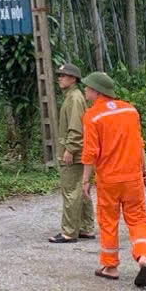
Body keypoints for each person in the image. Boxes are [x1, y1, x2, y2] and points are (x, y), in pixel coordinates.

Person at [79, 72, 146, 288]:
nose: (85, 90)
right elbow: (139, 143)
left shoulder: (92, 116)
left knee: (108, 221)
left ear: (96, 91)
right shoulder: (130, 110)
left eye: (87, 87)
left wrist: (85, 180)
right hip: (132, 179)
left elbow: (90, 152)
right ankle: (143, 258)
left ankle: (110, 266)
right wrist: (145, 170)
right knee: (138, 219)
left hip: (109, 181)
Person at [48, 63, 95, 243]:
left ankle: (69, 232)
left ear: (73, 78)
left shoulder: (74, 98)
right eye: (59, 75)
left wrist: (70, 148)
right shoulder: (73, 97)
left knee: (70, 191)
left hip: (73, 152)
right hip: (77, 151)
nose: (60, 78)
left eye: (64, 75)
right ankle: (86, 227)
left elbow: (76, 128)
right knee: (80, 189)